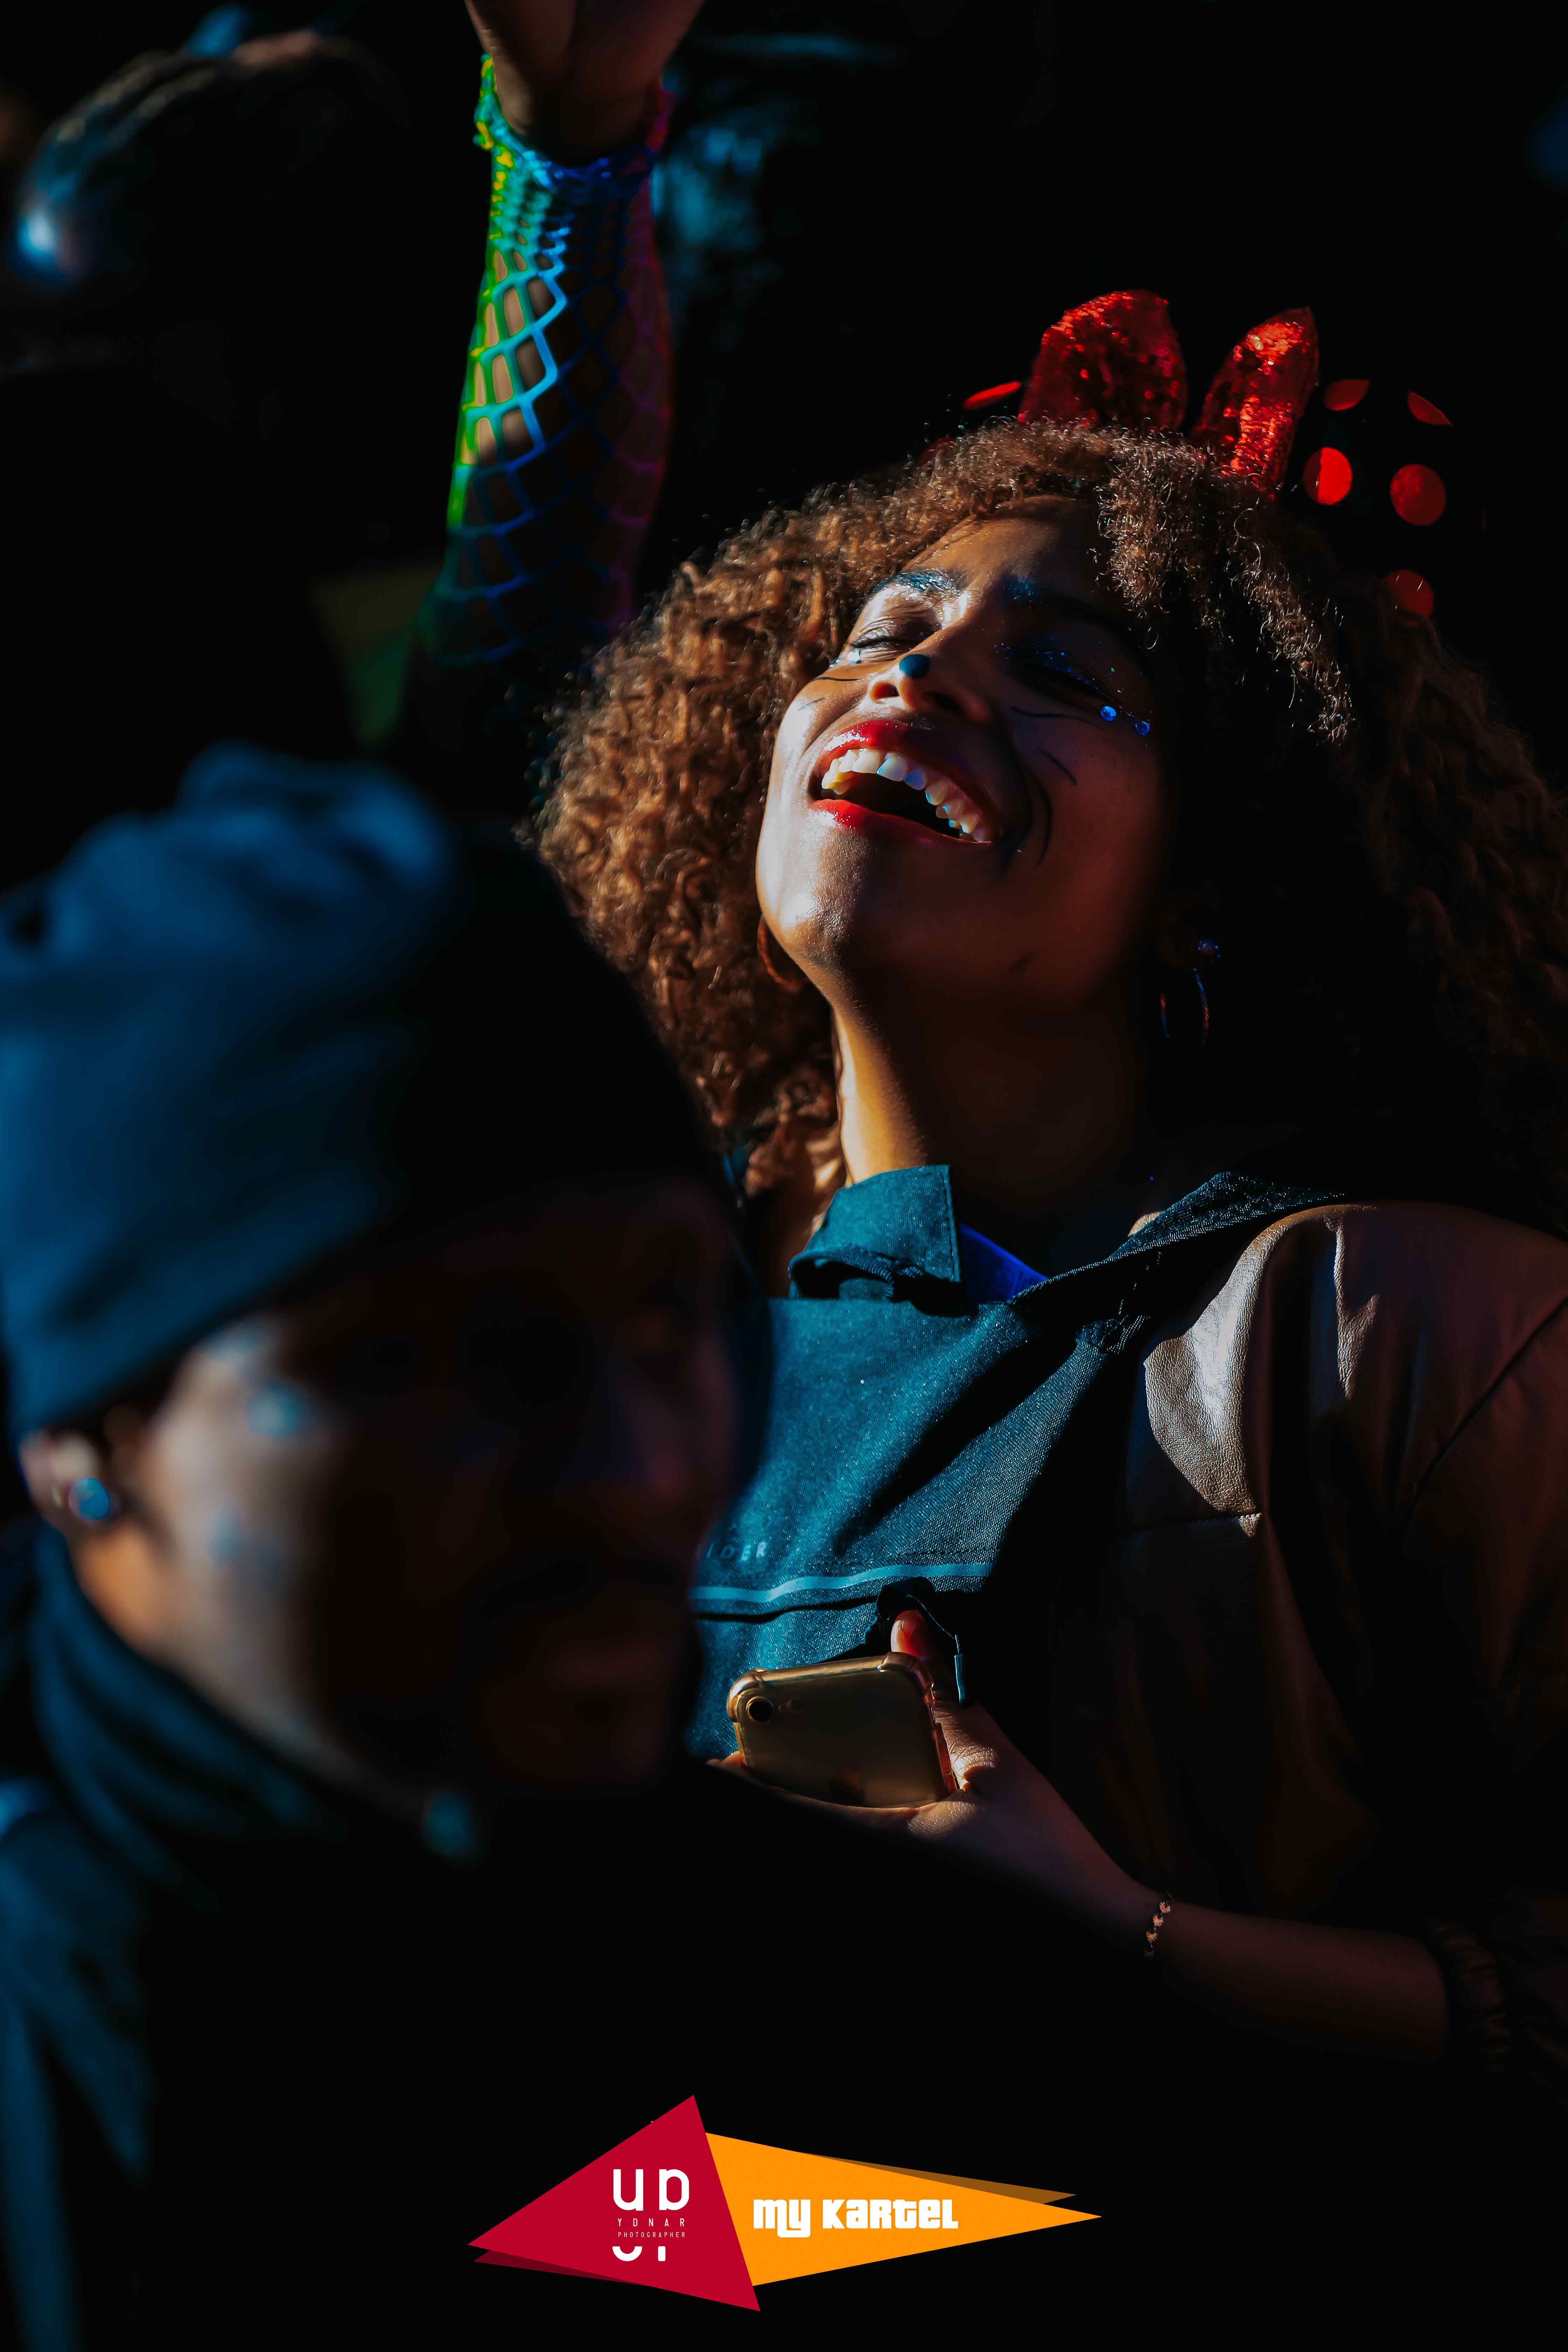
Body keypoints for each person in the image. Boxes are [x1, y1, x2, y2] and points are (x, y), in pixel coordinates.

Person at [409, 0, 1568, 2220]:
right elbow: (483, 717)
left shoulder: (1411, 1339)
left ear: (1220, 879)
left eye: (1064, 670)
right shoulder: (634, 1329)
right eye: (884, 624)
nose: (914, 673)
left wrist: (1118, 1938)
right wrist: (564, 162)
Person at [0, 747, 744, 2348]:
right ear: (83, 1444)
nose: (632, 1473)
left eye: (669, 1312)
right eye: (432, 1357)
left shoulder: (897, 2070)